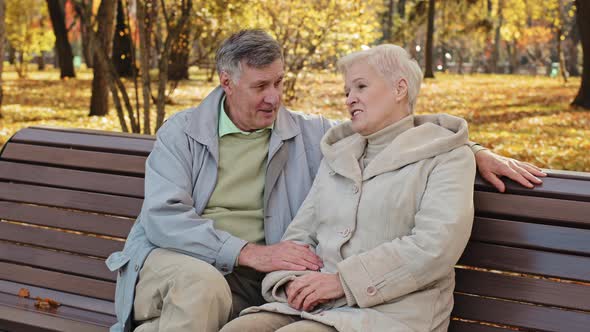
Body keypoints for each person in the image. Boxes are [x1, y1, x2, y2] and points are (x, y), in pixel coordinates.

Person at [106, 29, 546, 332]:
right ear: (227, 83)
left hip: (259, 280)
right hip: (177, 257)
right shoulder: (182, 132)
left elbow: (394, 129)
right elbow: (165, 219)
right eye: (261, 87)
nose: (274, 98)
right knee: (201, 289)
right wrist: (250, 252)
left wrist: (470, 149)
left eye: (279, 83)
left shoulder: (306, 132)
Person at [219, 43, 475, 332]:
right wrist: (292, 281)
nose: (350, 99)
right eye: (347, 92)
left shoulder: (446, 156)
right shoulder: (340, 155)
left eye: (361, 87)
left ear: (400, 89)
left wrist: (343, 282)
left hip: (393, 314)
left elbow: (434, 247)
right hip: (316, 307)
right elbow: (301, 234)